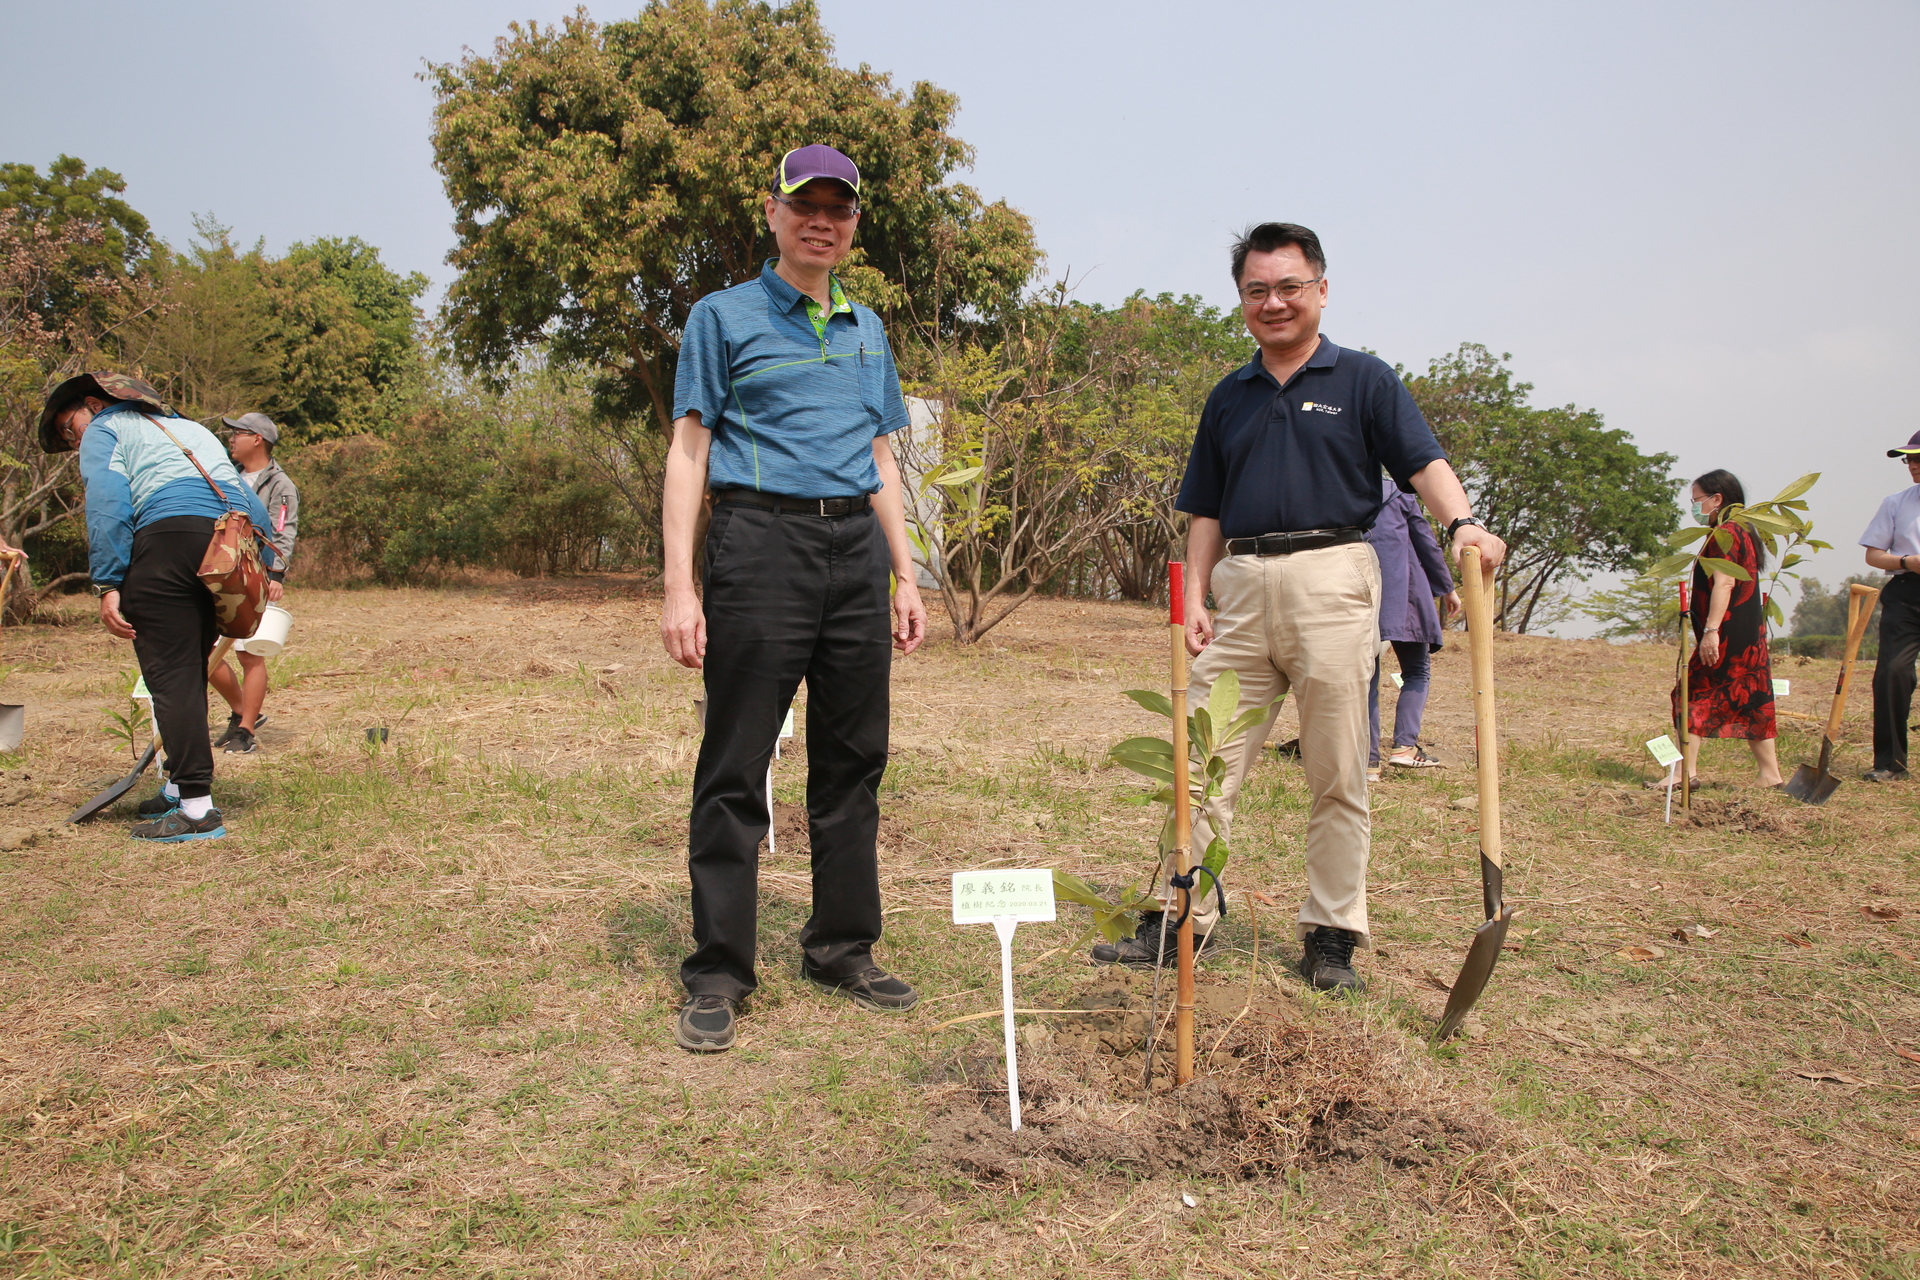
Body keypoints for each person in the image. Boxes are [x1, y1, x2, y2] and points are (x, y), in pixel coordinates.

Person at [1091, 222, 1507, 992]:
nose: (1273, 302)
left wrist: (1464, 525)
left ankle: (1330, 935)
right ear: (1242, 300)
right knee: (1199, 762)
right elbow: (1206, 510)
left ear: (1321, 289)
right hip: (1242, 586)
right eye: (1256, 291)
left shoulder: (1364, 380)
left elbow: (1424, 464)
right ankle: (1180, 917)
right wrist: (1196, 600)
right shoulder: (1229, 396)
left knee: (1339, 770)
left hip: (1334, 578)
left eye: (1288, 287)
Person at [659, 145, 928, 1053]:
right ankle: (720, 970)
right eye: (804, 204)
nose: (822, 220)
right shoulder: (722, 317)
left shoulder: (867, 327)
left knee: (854, 761)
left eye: (839, 209)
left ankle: (841, 946)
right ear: (772, 214)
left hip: (855, 548)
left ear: (853, 224)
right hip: (760, 543)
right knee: (737, 764)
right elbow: (689, 451)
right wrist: (678, 586)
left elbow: (881, 457)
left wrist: (904, 570)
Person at [39, 371, 276, 841]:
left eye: (71, 427)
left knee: (170, 675)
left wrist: (107, 583)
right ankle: (175, 786)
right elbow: (251, 505)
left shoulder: (106, 428)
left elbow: (107, 505)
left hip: (168, 541)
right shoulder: (192, 430)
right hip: (223, 551)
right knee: (187, 671)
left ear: (95, 402)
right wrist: (264, 570)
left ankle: (196, 810)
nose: (74, 439)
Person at [1667, 470, 1780, 787]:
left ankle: (1683, 774)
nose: (1695, 507)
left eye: (1697, 500)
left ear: (1717, 499)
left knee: (1689, 695)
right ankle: (1770, 775)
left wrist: (1711, 631)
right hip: (1749, 635)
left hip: (1727, 633)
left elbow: (1725, 582)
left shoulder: (1724, 535)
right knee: (1753, 698)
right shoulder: (1745, 532)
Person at [207, 412, 298, 755]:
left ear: (257, 439)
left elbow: (283, 529)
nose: (231, 439)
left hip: (257, 574)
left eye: (238, 433)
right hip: (221, 572)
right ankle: (245, 710)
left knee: (249, 653)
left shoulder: (280, 484)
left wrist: (275, 575)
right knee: (207, 652)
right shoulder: (224, 476)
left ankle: (245, 730)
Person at [1365, 477, 1459, 781]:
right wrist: (1447, 588)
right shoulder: (1399, 493)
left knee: (1367, 677)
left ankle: (1368, 762)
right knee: (1416, 670)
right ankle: (1404, 747)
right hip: (1405, 593)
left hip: (1360, 593)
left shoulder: (1340, 491)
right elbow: (1425, 541)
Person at [1861, 430, 1920, 782]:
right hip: (1907, 595)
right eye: (1909, 459)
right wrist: (1907, 562)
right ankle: (1890, 763)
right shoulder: (1896, 502)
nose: (1912, 465)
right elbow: (1873, 554)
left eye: (1918, 458)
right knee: (1892, 673)